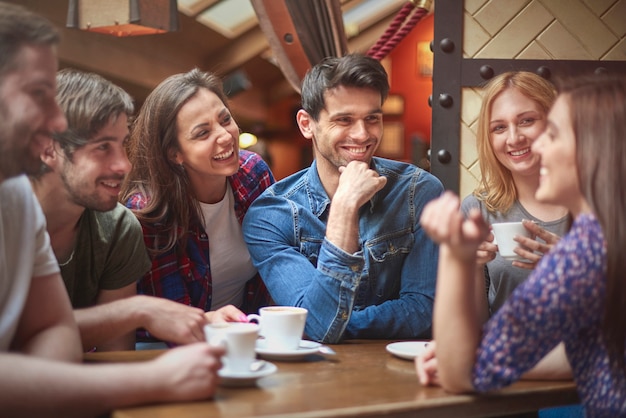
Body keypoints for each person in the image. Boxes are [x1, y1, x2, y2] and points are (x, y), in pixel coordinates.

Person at [0, 3, 223, 416]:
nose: (53, 117)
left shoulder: (15, 201)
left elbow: (52, 328)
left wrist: (45, 391)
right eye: (37, 94)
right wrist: (152, 378)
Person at [417, 74, 626, 416]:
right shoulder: (604, 238)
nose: (536, 145)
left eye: (552, 133)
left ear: (595, 148)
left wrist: (454, 256)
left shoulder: (586, 250)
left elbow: (463, 372)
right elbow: (594, 348)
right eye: (499, 128)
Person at [31, 68, 242, 352]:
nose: (125, 166)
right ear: (48, 149)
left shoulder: (118, 227)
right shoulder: (11, 221)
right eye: (103, 147)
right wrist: (138, 311)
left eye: (122, 145)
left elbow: (115, 356)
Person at [243, 53, 443, 344]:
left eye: (372, 118)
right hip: (306, 380)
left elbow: (424, 312)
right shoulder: (272, 215)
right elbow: (317, 327)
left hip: (403, 374)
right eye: (344, 120)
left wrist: (339, 323)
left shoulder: (419, 192)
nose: (362, 135)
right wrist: (344, 207)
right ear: (306, 124)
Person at [120, 68, 274, 325]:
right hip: (160, 348)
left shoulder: (253, 173)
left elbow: (277, 258)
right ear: (174, 153)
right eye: (203, 133)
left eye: (225, 120)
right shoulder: (148, 211)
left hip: (243, 336)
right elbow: (172, 318)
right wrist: (212, 321)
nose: (225, 136)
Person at [461, 71, 569, 321]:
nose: (513, 138)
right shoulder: (477, 209)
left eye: (526, 121)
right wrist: (471, 267)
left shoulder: (600, 204)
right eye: (499, 127)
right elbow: (475, 326)